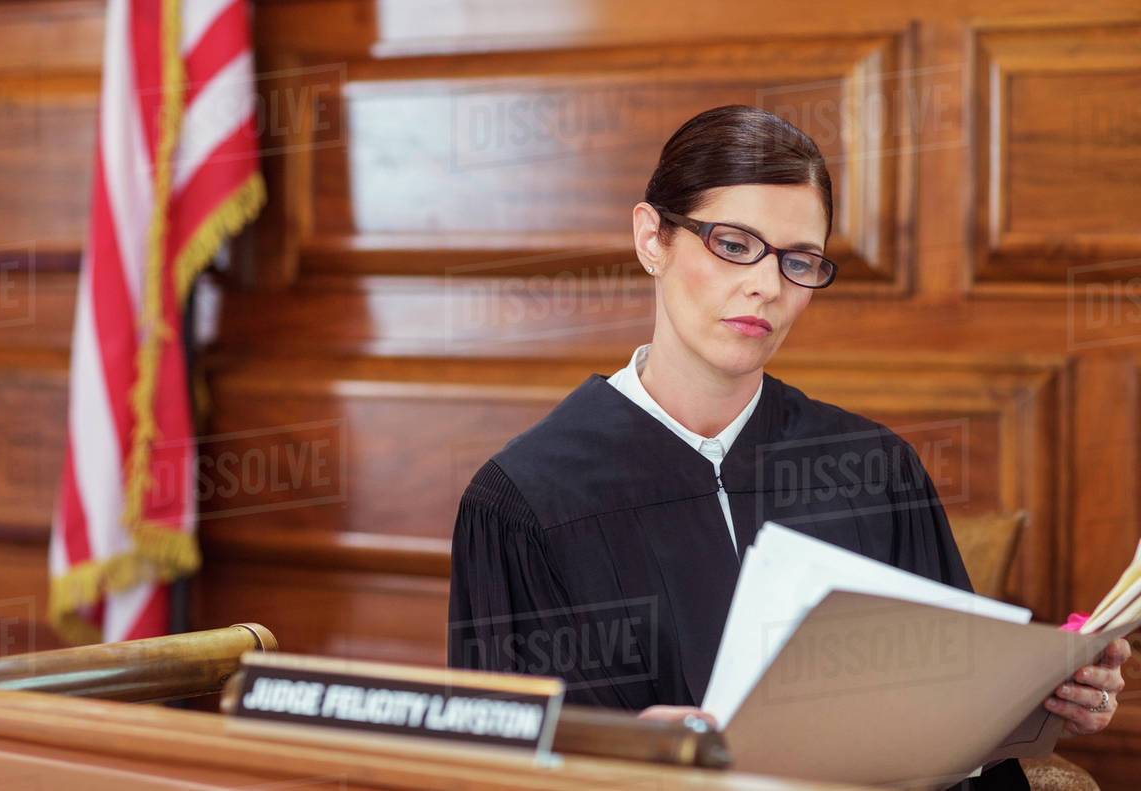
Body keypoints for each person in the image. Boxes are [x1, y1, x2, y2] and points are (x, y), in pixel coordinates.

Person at [446, 105, 1129, 789]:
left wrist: (1037, 697)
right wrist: (616, 759)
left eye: (798, 260)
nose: (767, 287)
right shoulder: (525, 501)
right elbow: (491, 762)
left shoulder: (874, 469)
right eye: (734, 244)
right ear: (652, 237)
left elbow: (955, 733)